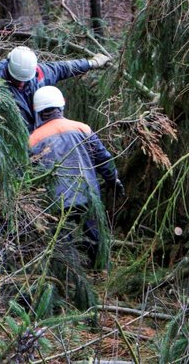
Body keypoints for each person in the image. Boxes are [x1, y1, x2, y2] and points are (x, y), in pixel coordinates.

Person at [28, 86, 123, 267]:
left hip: (58, 202)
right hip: (88, 194)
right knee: (96, 237)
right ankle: (103, 271)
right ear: (61, 106)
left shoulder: (33, 139)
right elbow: (104, 159)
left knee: (63, 244)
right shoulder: (82, 128)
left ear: (38, 111)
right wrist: (113, 180)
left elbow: (30, 175)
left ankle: (71, 279)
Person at [0, 46, 111, 133]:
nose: (21, 83)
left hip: (39, 136)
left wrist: (90, 63)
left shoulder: (39, 74)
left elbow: (63, 68)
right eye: (17, 80)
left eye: (25, 80)